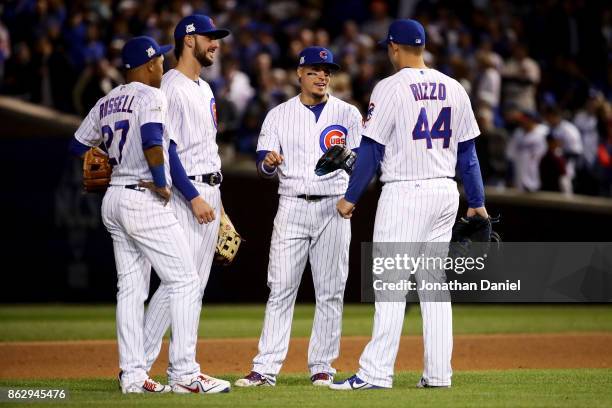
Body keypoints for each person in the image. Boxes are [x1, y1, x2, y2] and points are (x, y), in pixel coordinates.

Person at [331, 19, 488, 390]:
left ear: (393, 48)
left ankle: (375, 374)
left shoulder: (389, 88)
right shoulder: (455, 88)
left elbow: (370, 150)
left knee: (390, 285)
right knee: (434, 286)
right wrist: (477, 201)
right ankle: (438, 375)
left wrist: (350, 197)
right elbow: (468, 153)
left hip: (405, 192)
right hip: (445, 192)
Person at [68, 36, 202, 394]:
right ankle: (186, 375)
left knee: (130, 289)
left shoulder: (107, 100)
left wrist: (108, 158)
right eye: (158, 60)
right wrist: (161, 181)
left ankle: (132, 376)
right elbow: (151, 140)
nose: (163, 65)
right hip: (143, 196)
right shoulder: (152, 96)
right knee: (186, 280)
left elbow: (77, 145)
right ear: (146, 65)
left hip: (113, 200)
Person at [234, 47, 362, 387]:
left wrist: (352, 173)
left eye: (327, 71)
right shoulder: (278, 114)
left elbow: (364, 164)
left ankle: (322, 366)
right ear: (299, 74)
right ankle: (265, 368)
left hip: (334, 205)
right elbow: (262, 164)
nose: (322, 76)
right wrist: (268, 164)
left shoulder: (348, 114)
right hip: (291, 203)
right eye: (315, 70)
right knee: (280, 288)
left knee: (331, 291)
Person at [141, 15, 232, 394]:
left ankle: (137, 366)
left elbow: (207, 151)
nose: (216, 44)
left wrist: (220, 207)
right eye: (210, 38)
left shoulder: (205, 88)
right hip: (187, 193)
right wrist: (193, 197)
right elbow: (169, 149)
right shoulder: (172, 87)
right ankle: (183, 373)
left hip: (208, 191)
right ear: (188, 40)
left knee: (183, 285)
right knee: (184, 284)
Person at [506, 110, 549, 192]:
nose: (523, 122)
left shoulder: (543, 133)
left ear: (532, 120)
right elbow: (510, 155)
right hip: (520, 174)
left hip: (537, 173)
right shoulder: (518, 133)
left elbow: (544, 156)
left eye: (525, 120)